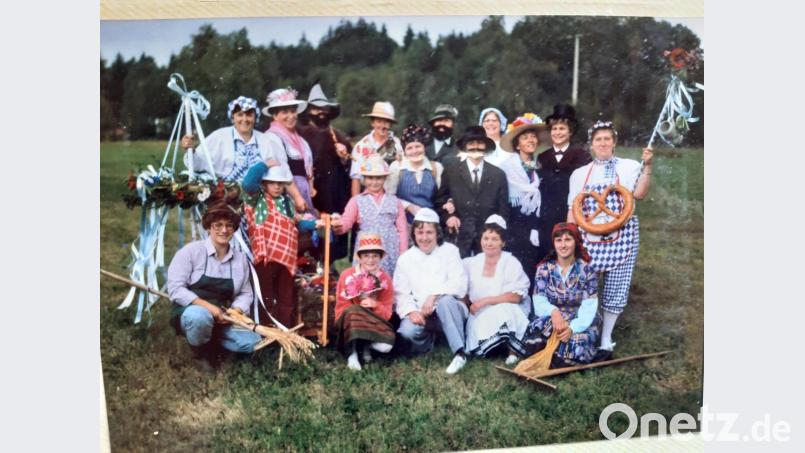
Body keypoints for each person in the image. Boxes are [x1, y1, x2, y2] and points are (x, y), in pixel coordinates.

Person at [567, 120, 654, 355]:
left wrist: (647, 167)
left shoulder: (629, 167)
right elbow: (573, 209)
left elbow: (639, 194)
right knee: (586, 287)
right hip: (588, 239)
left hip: (622, 236)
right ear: (591, 145)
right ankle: (586, 331)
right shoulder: (579, 174)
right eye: (598, 140)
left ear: (614, 143)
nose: (603, 143)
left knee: (617, 286)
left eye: (607, 139)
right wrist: (567, 235)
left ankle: (606, 338)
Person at [166, 202, 262, 372]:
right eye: (218, 225)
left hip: (225, 316)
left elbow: (246, 293)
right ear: (208, 227)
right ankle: (200, 353)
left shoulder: (240, 260)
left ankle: (214, 343)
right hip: (193, 311)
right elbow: (175, 289)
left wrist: (236, 311)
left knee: (252, 342)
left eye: (229, 225)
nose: (224, 230)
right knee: (200, 318)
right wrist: (209, 308)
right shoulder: (190, 252)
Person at [180, 96, 306, 210]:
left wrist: (298, 198)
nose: (244, 119)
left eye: (249, 115)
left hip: (259, 204)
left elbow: (284, 174)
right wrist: (191, 149)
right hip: (226, 202)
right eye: (240, 114)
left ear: (255, 117)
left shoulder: (267, 140)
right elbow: (197, 163)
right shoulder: (219, 137)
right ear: (233, 117)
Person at [241, 163, 317, 328]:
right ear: (264, 184)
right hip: (266, 255)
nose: (276, 187)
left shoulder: (287, 202)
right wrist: (264, 164)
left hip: (287, 257)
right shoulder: (257, 198)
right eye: (272, 183)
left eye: (280, 183)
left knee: (286, 297)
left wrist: (315, 225)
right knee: (265, 295)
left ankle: (284, 332)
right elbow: (247, 184)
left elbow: (296, 224)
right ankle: (265, 331)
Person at [394, 208, 470, 374]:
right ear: (413, 233)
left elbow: (460, 284)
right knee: (406, 332)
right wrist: (412, 311)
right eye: (420, 232)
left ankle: (460, 353)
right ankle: (431, 342)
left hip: (450, 310)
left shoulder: (450, 251)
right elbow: (401, 293)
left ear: (438, 233)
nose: (425, 238)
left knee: (446, 301)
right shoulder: (405, 259)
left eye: (430, 232)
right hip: (424, 315)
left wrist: (435, 295)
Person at [521, 222, 601, 366]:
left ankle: (557, 355)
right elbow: (539, 301)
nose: (563, 245)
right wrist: (553, 311)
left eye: (568, 240)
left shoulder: (587, 271)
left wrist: (572, 328)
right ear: (554, 243)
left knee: (579, 342)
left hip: (579, 320)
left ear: (576, 242)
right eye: (559, 240)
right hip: (552, 318)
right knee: (537, 332)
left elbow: (589, 306)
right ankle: (555, 354)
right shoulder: (544, 269)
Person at [462, 215, 531, 365]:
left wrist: (485, 301)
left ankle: (513, 351)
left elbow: (516, 297)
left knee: (507, 310)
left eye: (494, 239)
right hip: (480, 315)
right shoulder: (471, 263)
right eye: (486, 238)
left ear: (503, 242)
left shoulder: (511, 262)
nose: (489, 243)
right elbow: (462, 289)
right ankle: (494, 346)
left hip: (503, 309)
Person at [297, 82, 353, 262]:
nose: (321, 112)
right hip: (310, 193)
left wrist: (344, 157)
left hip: (334, 195)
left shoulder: (339, 136)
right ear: (308, 111)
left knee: (333, 238)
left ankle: (328, 270)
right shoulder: (300, 135)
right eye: (316, 108)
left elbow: (350, 169)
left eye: (324, 108)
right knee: (310, 234)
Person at [434, 125, 510, 258]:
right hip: (459, 237)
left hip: (488, 240)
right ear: (464, 147)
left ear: (485, 147)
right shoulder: (451, 172)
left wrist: (495, 234)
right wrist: (449, 217)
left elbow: (503, 210)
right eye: (471, 143)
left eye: (480, 143)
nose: (476, 147)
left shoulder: (498, 175)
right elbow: (440, 201)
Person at [334, 154, 408, 276]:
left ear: (385, 178)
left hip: (390, 248)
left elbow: (402, 230)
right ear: (364, 179)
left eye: (378, 178)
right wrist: (338, 226)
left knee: (388, 282)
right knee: (364, 282)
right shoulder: (356, 200)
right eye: (370, 178)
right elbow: (346, 221)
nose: (374, 182)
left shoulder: (395, 201)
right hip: (366, 249)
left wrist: (403, 253)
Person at [498, 113, 549, 283]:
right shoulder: (506, 169)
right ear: (517, 145)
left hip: (536, 225)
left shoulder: (539, 166)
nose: (531, 140)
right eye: (525, 137)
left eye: (533, 137)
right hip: (515, 226)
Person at [334, 233, 395, 371]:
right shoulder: (347, 275)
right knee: (354, 311)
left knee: (386, 347)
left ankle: (366, 345)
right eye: (366, 256)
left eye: (375, 255)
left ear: (380, 257)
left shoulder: (385, 279)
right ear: (360, 258)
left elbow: (387, 314)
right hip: (351, 322)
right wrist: (358, 306)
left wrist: (375, 304)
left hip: (374, 321)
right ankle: (352, 353)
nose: (371, 260)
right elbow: (341, 306)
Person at [536, 104, 591, 259]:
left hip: (571, 213)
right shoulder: (542, 157)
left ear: (570, 132)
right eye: (554, 129)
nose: (558, 132)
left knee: (570, 253)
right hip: (547, 215)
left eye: (562, 129)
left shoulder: (581, 155)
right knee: (547, 251)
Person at [263, 87, 316, 213]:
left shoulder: (301, 141)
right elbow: (282, 171)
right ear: (275, 116)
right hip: (286, 192)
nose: (290, 116)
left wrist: (310, 188)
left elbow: (309, 169)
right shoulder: (272, 137)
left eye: (293, 111)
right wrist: (297, 197)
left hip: (303, 192)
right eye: (285, 112)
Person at [385, 123, 444, 223]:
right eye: (410, 148)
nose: (414, 151)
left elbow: (441, 198)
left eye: (418, 146)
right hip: (403, 223)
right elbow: (388, 197)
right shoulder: (397, 167)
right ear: (404, 151)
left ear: (424, 147)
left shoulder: (435, 168)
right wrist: (408, 206)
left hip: (430, 223)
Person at [350, 101, 403, 196]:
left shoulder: (397, 144)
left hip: (393, 197)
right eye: (379, 121)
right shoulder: (361, 146)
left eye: (386, 122)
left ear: (391, 124)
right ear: (372, 123)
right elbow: (356, 178)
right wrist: (356, 205)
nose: (382, 126)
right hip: (367, 197)